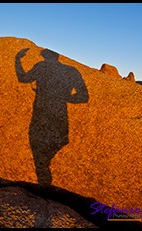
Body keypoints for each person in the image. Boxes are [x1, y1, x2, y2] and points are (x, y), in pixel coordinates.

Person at [15, 48, 89, 185]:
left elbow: (23, 78)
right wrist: (65, 97)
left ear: (44, 57)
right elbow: (83, 96)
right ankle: (47, 185)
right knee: (53, 149)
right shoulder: (71, 71)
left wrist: (17, 59)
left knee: (40, 155)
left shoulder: (41, 67)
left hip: (40, 114)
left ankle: (44, 185)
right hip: (60, 114)